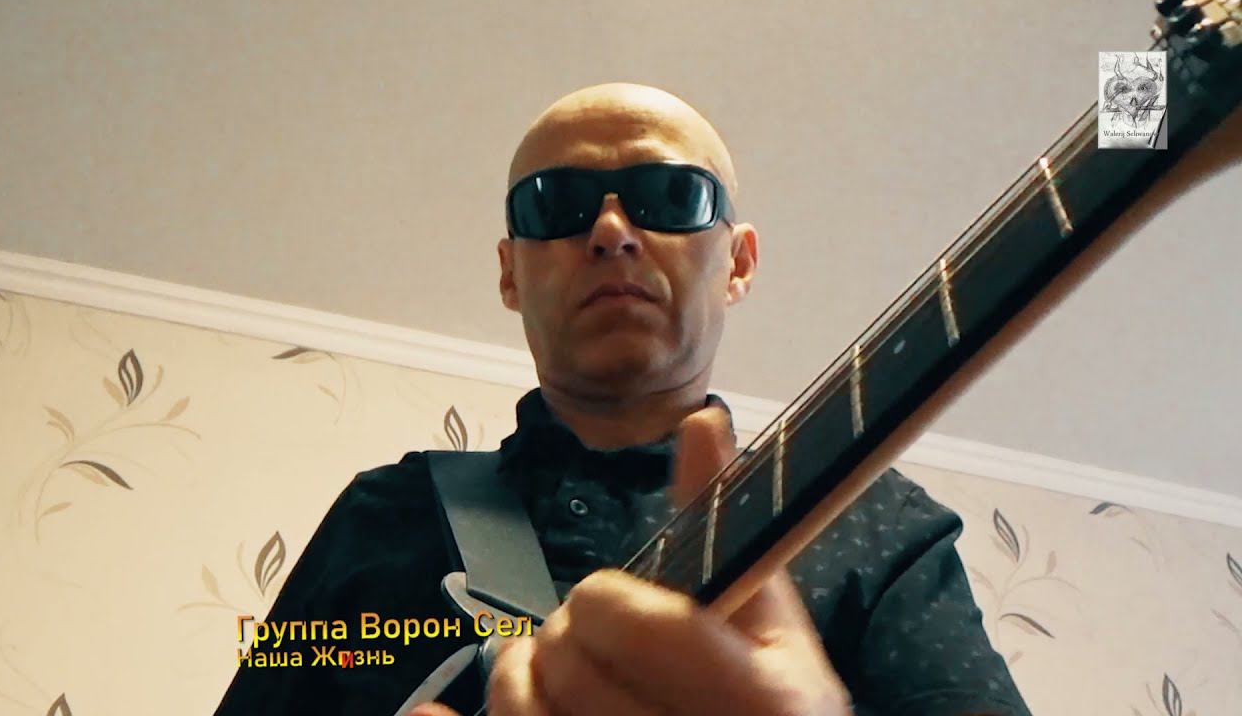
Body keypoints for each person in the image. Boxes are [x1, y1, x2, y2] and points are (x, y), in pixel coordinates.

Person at [215, 83, 1032, 716]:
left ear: (739, 262)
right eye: (556, 204)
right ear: (509, 272)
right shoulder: (378, 515)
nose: (610, 230)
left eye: (671, 196)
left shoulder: (874, 522)